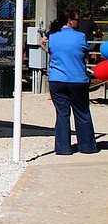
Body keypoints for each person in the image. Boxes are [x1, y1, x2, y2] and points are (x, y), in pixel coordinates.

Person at [39, 8, 98, 155]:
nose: (79, 22)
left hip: (57, 80)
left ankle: (63, 148)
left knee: (62, 114)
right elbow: (84, 53)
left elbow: (47, 47)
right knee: (82, 113)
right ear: (70, 21)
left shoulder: (53, 36)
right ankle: (87, 147)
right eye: (77, 20)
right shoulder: (80, 36)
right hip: (77, 79)